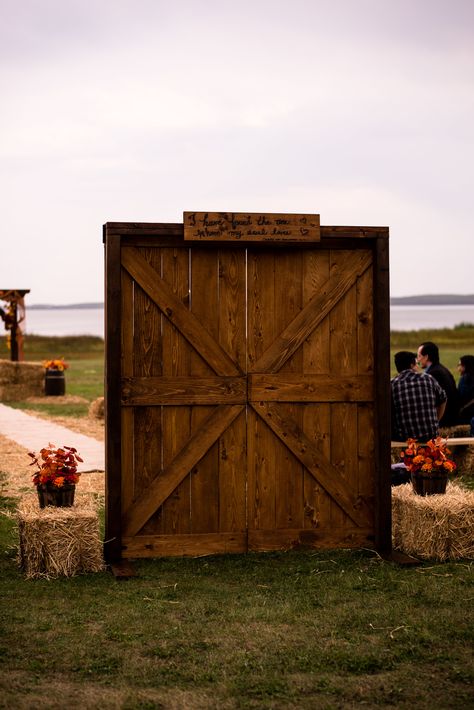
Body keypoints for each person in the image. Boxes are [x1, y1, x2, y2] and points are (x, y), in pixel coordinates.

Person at [391, 350, 447, 442]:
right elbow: (443, 399)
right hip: (431, 437)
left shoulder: (392, 384)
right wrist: (436, 420)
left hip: (406, 439)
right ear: (412, 365)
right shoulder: (428, 378)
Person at [416, 341, 458, 427]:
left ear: (426, 357)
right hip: (451, 417)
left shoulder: (432, 374)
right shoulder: (442, 369)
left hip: (444, 421)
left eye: (419, 356)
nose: (418, 360)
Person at [457, 354, 474, 425]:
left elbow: (461, 396)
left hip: (466, 415)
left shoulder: (464, 379)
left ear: (465, 366)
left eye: (460, 365)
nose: (458, 368)